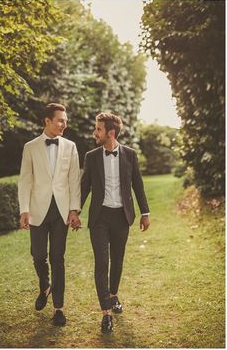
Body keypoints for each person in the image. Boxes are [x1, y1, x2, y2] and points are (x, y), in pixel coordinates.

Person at [81, 112, 150, 333]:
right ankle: (106, 313)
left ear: (111, 133)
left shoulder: (130, 154)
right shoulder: (91, 156)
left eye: (98, 129)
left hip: (122, 217)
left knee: (117, 261)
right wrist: (75, 211)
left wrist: (145, 212)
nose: (95, 132)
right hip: (99, 217)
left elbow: (137, 184)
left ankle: (113, 295)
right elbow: (85, 187)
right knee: (102, 263)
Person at [18, 103, 81, 326]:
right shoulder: (30, 147)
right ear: (47, 121)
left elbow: (74, 180)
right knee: (38, 255)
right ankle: (45, 286)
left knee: (57, 257)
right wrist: (24, 209)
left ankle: (59, 309)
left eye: (65, 120)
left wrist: (74, 209)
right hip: (37, 209)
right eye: (60, 120)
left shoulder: (71, 146)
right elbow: (25, 179)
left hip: (61, 211)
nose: (65, 124)